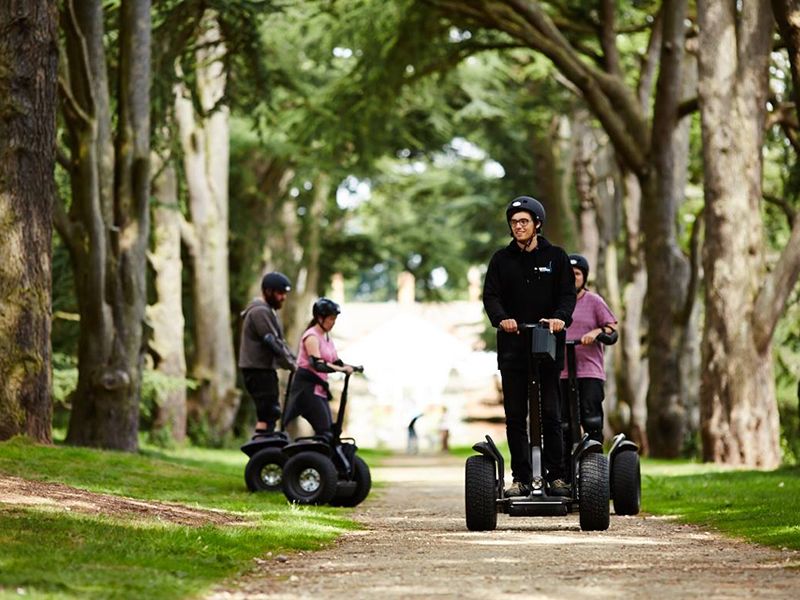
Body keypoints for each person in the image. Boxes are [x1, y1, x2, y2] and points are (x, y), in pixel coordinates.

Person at [483, 196, 576, 497]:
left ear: (537, 224)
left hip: (547, 344)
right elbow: (491, 297)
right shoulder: (501, 259)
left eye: (524, 221)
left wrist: (560, 318)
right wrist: (502, 319)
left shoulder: (556, 257)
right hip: (513, 346)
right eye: (514, 222)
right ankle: (521, 478)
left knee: (551, 411)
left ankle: (557, 477)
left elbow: (566, 296)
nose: (518, 226)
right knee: (515, 415)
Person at [560, 254, 618, 444]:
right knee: (563, 423)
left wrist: (597, 332)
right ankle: (564, 469)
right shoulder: (556, 303)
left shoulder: (594, 301)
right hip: (561, 371)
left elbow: (612, 330)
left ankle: (595, 466)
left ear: (584, 277)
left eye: (576, 274)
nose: (572, 277)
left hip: (589, 370)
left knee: (591, 420)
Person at [283, 298, 354, 441]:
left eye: (335, 319)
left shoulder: (326, 337)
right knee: (325, 432)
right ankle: (315, 460)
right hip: (307, 389)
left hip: (319, 390)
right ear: (320, 318)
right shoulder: (311, 337)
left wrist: (349, 367)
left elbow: (335, 361)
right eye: (330, 319)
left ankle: (320, 460)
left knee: (329, 431)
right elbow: (318, 365)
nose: (333, 322)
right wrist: (340, 370)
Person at [238, 272, 295, 439]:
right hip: (257, 370)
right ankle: (261, 452)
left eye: (285, 294)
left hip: (263, 369)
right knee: (268, 412)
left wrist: (295, 360)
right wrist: (292, 365)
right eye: (280, 293)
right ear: (268, 291)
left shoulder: (266, 311)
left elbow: (279, 342)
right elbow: (272, 342)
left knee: (269, 413)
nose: (283, 297)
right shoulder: (260, 312)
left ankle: (264, 449)